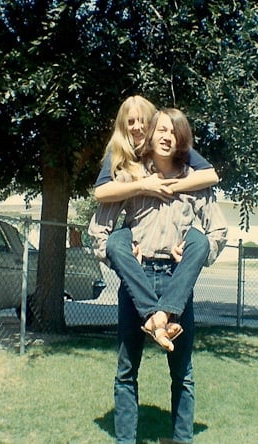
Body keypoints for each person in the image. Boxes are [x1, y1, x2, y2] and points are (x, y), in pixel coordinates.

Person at [89, 108, 227, 444]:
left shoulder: (192, 180)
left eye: (174, 131)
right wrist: (119, 257)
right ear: (150, 135)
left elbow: (219, 228)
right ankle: (126, 440)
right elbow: (99, 229)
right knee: (126, 372)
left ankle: (160, 315)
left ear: (182, 140)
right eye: (161, 129)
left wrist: (200, 254)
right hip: (138, 279)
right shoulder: (133, 178)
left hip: (175, 278)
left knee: (183, 374)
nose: (167, 136)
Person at [93, 96, 220, 348]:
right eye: (131, 122)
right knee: (118, 240)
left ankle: (160, 316)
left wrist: (171, 186)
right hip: (137, 252)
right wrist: (143, 186)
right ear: (123, 126)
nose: (138, 128)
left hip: (174, 264)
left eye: (143, 122)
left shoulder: (175, 147)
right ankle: (155, 316)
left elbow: (211, 175)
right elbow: (100, 193)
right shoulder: (120, 155)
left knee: (198, 239)